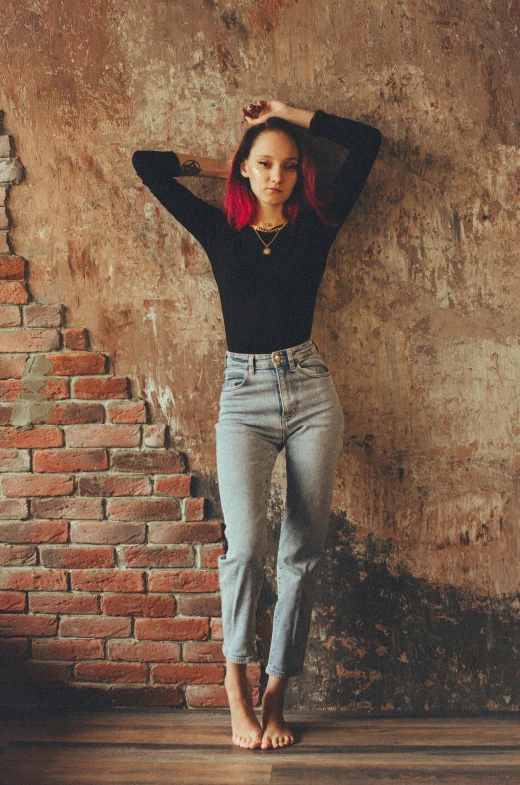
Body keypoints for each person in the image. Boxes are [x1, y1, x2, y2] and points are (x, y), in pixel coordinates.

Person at [132, 100, 382, 750]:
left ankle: (276, 693)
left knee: (300, 553)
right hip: (242, 397)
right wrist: (230, 166)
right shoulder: (219, 229)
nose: (277, 177)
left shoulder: (317, 227)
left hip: (310, 393)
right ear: (248, 169)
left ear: (303, 176)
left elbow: (367, 141)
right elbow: (148, 166)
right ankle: (235, 692)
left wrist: (293, 113)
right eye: (264, 165)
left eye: (289, 167)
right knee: (244, 550)